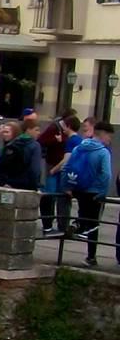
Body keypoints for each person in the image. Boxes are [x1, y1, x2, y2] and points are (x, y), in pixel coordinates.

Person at [62, 122, 114, 266]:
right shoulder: (103, 152)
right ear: (103, 134)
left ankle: (77, 224)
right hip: (94, 191)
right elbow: (106, 174)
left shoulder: (79, 147)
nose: (110, 140)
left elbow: (67, 166)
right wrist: (103, 192)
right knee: (94, 223)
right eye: (109, 136)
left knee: (83, 213)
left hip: (78, 189)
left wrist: (66, 186)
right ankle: (91, 256)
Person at [40, 114, 81, 234]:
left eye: (64, 126)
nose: (62, 129)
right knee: (64, 200)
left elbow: (66, 160)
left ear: (68, 126)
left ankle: (58, 226)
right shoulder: (79, 140)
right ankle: (63, 225)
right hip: (72, 175)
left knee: (56, 198)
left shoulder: (71, 141)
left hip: (64, 173)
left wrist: (54, 170)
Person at [0, 119, 44, 192]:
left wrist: (2, 183)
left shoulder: (10, 144)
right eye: (36, 130)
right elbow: (34, 170)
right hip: (26, 187)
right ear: (28, 130)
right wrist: (35, 187)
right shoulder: (34, 146)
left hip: (8, 186)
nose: (39, 133)